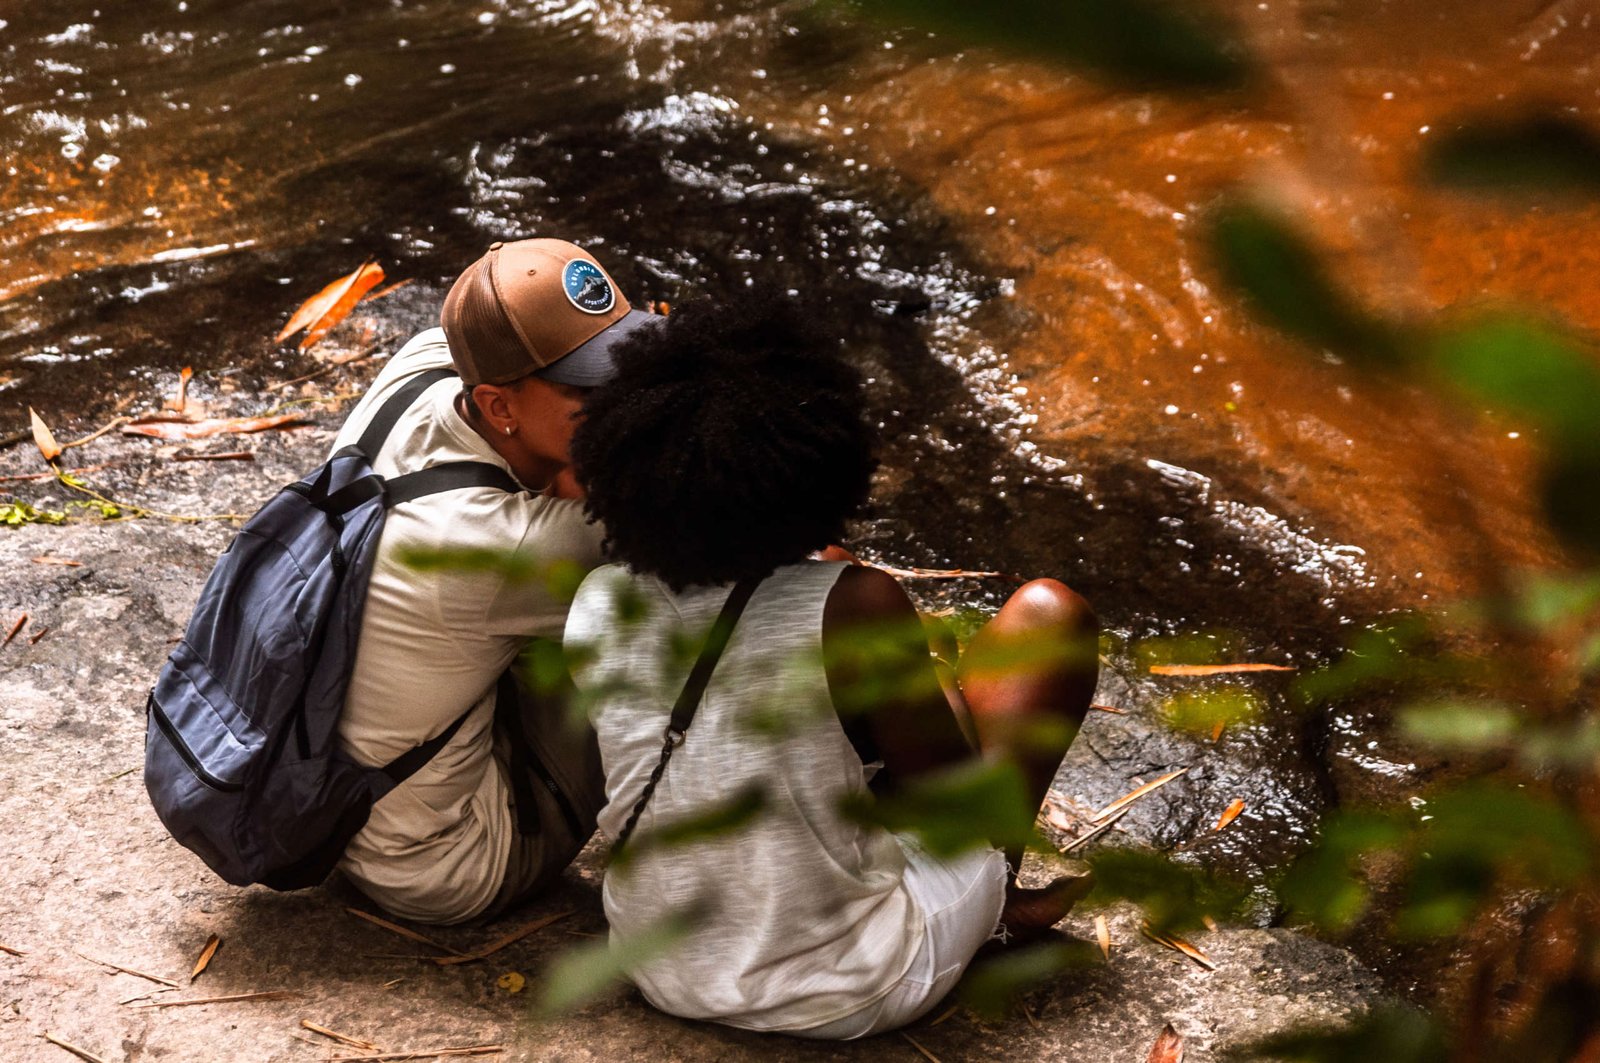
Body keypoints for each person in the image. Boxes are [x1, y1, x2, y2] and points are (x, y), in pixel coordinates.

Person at [563, 296, 1099, 1038]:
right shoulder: (854, 603)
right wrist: (932, 671)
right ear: (816, 464)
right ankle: (993, 915)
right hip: (848, 988)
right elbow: (953, 801)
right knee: (1049, 613)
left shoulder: (597, 600)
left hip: (664, 968)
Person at [330, 237, 657, 924]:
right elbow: (725, 544)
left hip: (354, 802)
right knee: (683, 616)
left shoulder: (421, 364)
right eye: (589, 390)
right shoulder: (503, 547)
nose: (625, 398)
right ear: (498, 405)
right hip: (445, 856)